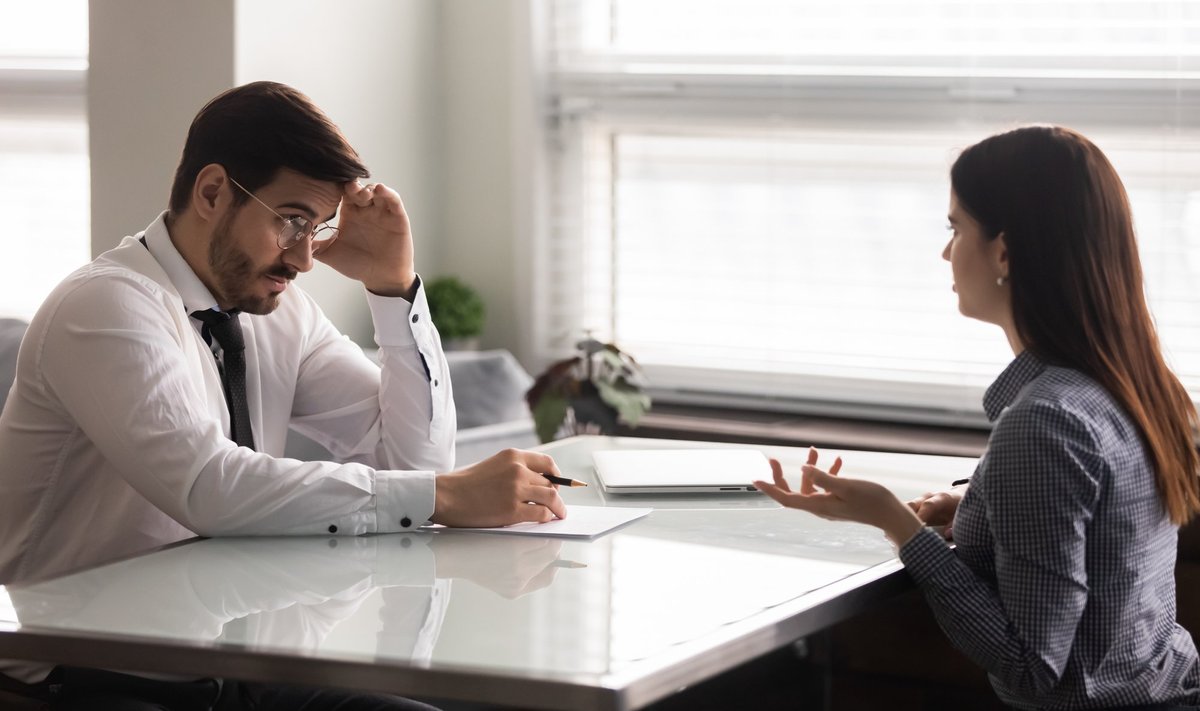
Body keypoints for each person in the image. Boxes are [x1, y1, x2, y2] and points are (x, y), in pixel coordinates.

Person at [0, 81, 567, 709]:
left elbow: (412, 465)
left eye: (317, 227)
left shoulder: (279, 311)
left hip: (239, 667)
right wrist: (447, 495)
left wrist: (393, 288)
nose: (304, 258)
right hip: (84, 674)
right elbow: (209, 489)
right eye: (291, 221)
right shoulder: (106, 305)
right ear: (212, 192)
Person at [755, 126, 1200, 710]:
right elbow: (1099, 532)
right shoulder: (1133, 385)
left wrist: (897, 524)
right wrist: (975, 508)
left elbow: (1030, 665)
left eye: (955, 227)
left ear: (1005, 251)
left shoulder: (1045, 422)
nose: (945, 251)